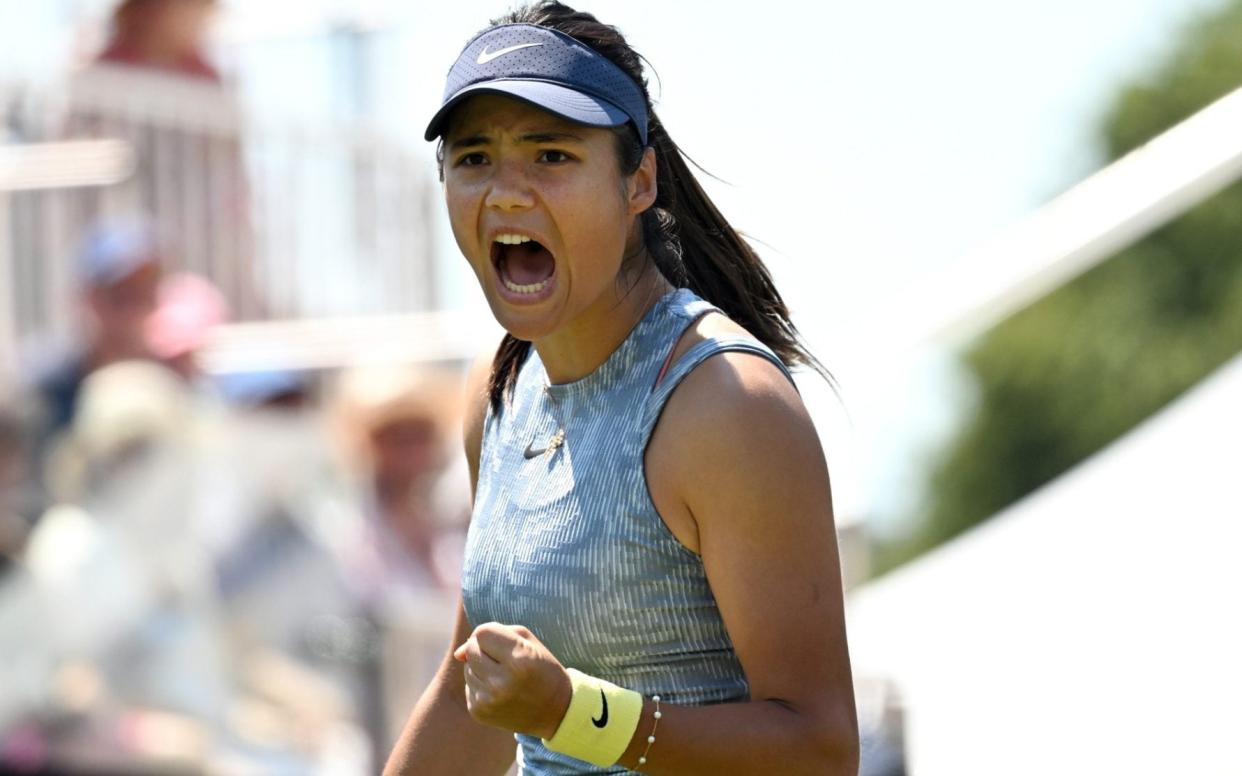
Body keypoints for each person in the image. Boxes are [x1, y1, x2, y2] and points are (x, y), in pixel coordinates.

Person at [385, 3, 858, 774]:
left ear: (638, 182)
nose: (505, 193)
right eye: (474, 158)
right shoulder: (499, 390)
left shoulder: (728, 404)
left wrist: (576, 716)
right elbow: (471, 697)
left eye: (551, 156)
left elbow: (819, 749)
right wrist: (542, 711)